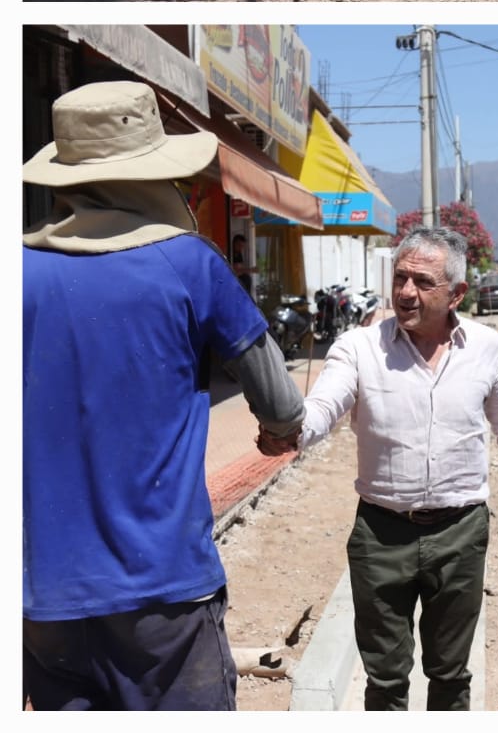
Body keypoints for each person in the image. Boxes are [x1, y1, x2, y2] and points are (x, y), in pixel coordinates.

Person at [22, 81, 305, 711]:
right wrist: (278, 433)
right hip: (163, 591)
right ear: (154, 177)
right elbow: (281, 403)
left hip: (44, 596)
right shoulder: (189, 264)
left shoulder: (19, 270)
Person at [281, 226, 498, 711]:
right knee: (385, 679)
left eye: (423, 282)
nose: (406, 292)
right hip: (381, 535)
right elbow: (322, 408)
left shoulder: (486, 348)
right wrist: (290, 427)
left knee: (450, 674)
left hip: (460, 535)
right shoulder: (360, 348)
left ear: (457, 294)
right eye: (400, 278)